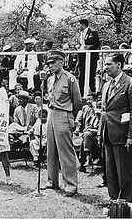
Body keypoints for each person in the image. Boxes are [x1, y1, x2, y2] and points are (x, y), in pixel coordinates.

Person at [98, 53, 132, 202]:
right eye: (105, 64)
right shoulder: (106, 85)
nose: (105, 68)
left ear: (119, 65)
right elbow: (104, 112)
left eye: (108, 64)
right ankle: (113, 201)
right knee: (110, 172)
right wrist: (100, 132)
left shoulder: (131, 84)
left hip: (123, 136)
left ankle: (124, 204)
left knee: (124, 173)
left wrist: (131, 137)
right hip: (107, 134)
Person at [43, 50, 82, 197]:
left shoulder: (70, 79)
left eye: (53, 63)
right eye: (49, 63)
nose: (50, 66)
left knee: (65, 152)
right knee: (51, 150)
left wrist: (71, 117)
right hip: (51, 114)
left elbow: (77, 101)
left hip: (64, 114)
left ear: (61, 62)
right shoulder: (50, 79)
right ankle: (52, 181)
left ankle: (70, 185)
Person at [74, 93, 101, 172]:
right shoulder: (85, 108)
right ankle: (87, 159)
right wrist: (77, 129)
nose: (88, 101)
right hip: (87, 131)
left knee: (86, 135)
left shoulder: (98, 108)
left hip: (96, 131)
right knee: (84, 138)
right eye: (87, 99)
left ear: (95, 100)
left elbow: (100, 124)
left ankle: (85, 161)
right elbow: (80, 120)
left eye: (91, 99)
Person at [76, 18, 100, 95]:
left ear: (83, 25)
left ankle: (93, 93)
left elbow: (96, 44)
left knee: (91, 74)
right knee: (81, 74)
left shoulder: (93, 32)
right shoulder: (79, 34)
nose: (78, 27)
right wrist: (77, 46)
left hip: (91, 56)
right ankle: (80, 94)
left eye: (79, 25)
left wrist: (89, 47)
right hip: (81, 56)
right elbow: (80, 43)